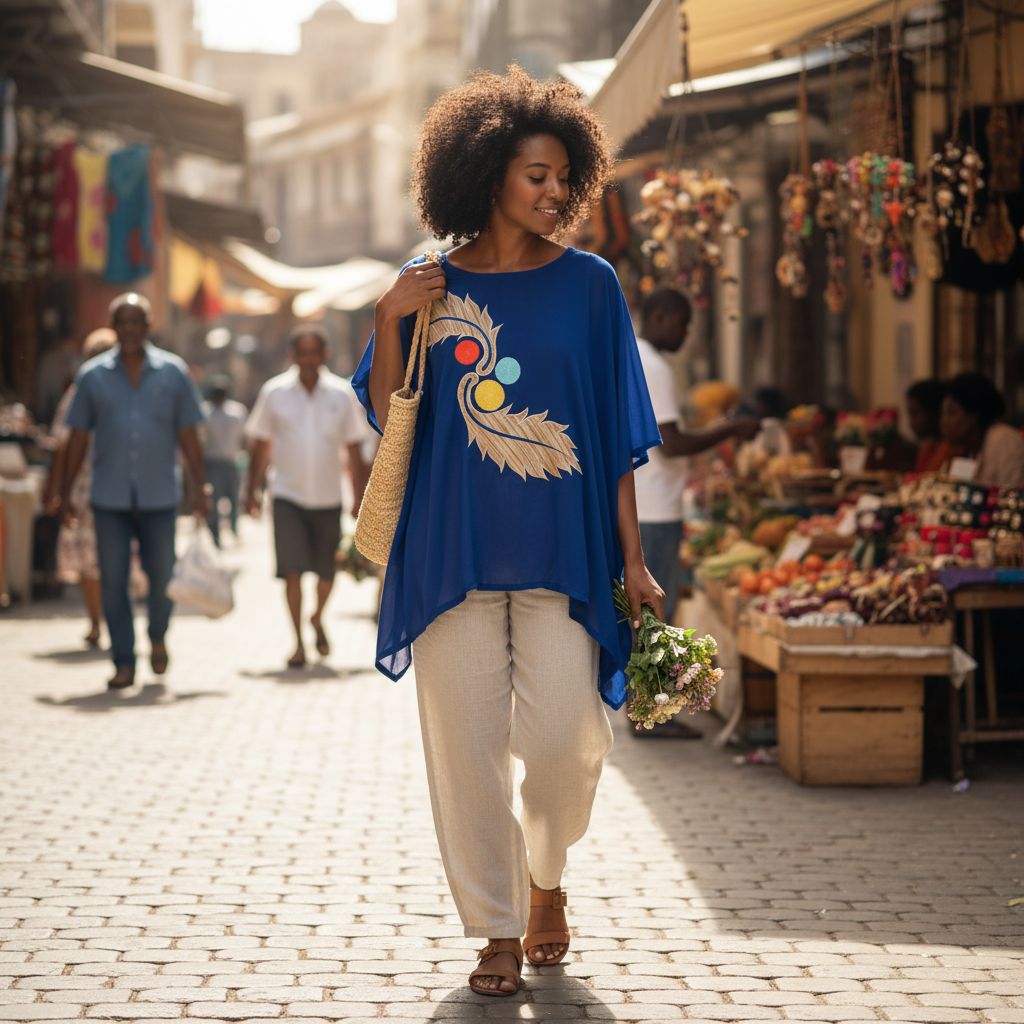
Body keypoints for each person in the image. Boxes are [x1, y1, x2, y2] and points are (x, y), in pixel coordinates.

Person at [352, 66, 663, 997]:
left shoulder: (592, 286)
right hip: (450, 551)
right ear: (488, 172)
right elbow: (388, 411)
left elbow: (613, 435)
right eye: (538, 175)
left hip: (567, 549)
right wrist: (388, 318)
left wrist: (635, 559)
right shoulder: (429, 281)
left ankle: (546, 880)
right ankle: (492, 931)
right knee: (466, 752)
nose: (557, 192)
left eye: (566, 176)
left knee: (569, 739)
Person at [58, 293, 209, 690]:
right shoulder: (92, 377)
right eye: (121, 323)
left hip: (160, 495)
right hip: (109, 497)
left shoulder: (173, 373)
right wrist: (64, 491)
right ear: (113, 327)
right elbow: (76, 437)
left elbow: (190, 433)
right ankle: (123, 660)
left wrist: (201, 485)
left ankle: (157, 636)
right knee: (113, 579)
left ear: (147, 326)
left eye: (135, 322)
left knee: (162, 577)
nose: (128, 330)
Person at [632, 287, 760, 740]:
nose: (687, 333)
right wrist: (730, 429)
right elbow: (671, 443)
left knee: (647, 613)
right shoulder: (655, 365)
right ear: (662, 317)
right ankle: (650, 716)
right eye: (683, 323)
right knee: (654, 614)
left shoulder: (638, 357)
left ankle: (646, 711)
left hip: (646, 503)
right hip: (654, 509)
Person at [243, 325, 369, 669]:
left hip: (329, 496)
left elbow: (355, 447)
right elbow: (261, 443)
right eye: (303, 353)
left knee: (327, 572)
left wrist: (361, 498)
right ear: (293, 356)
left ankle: (317, 617)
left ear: (324, 354)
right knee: (293, 570)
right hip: (286, 495)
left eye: (315, 352)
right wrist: (251, 490)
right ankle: (298, 640)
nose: (309, 359)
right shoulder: (275, 393)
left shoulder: (341, 394)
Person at [44, 327, 117, 647]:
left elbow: (59, 446)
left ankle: (100, 621)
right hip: (88, 486)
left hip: (102, 486)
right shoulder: (79, 393)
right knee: (97, 558)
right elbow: (63, 444)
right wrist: (58, 488)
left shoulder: (123, 390)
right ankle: (99, 621)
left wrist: (57, 487)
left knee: (97, 559)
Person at [941, 372, 1024, 488]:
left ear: (973, 415)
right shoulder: (971, 449)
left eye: (951, 413)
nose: (944, 422)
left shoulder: (1003, 439)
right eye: (944, 414)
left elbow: (1010, 495)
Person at [201, 376, 247, 547]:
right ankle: (215, 535)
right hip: (212, 462)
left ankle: (234, 530)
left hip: (232, 461)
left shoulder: (237, 412)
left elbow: (244, 438)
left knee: (234, 499)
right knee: (214, 500)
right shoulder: (205, 412)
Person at [907, 378, 954, 474]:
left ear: (934, 413)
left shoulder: (950, 449)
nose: (911, 422)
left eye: (915, 413)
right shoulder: (928, 447)